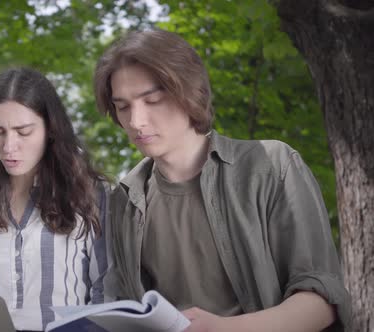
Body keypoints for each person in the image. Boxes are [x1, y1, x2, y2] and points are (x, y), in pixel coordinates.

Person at [94, 29, 350, 332]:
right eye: (123, 107)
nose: (136, 122)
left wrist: (223, 328)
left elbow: (321, 300)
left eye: (152, 100)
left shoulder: (271, 166)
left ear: (189, 92)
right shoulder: (125, 200)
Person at [0, 67, 108, 332]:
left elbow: (106, 296)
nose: (9, 146)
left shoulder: (92, 196)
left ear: (50, 128)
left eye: (23, 131)